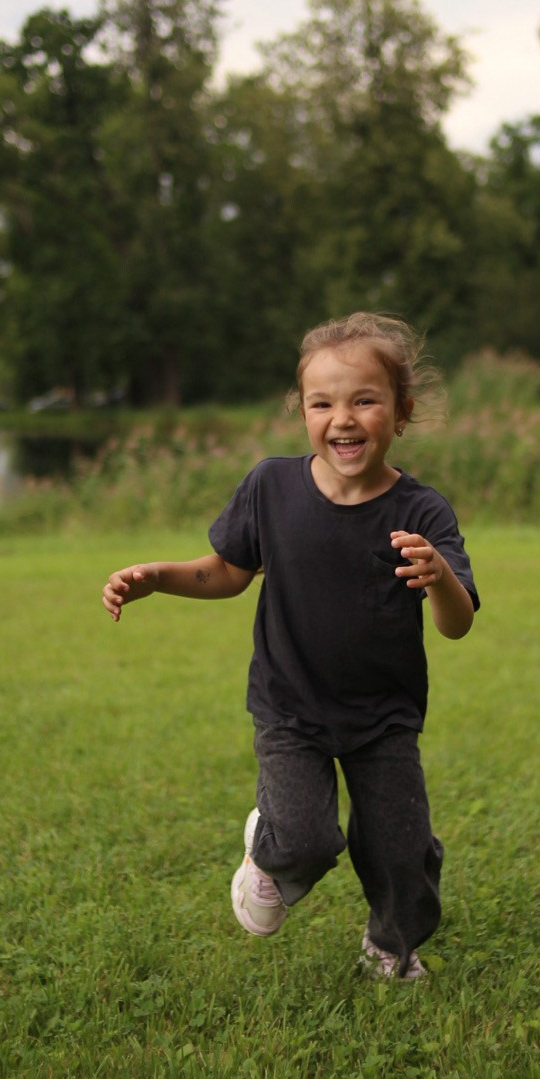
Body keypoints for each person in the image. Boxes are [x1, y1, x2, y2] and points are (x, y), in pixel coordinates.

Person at [102, 313, 479, 980]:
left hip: (384, 714)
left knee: (401, 848)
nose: (344, 418)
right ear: (301, 411)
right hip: (291, 704)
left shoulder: (422, 514)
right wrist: (157, 578)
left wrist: (440, 577)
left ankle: (389, 948)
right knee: (306, 837)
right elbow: (226, 571)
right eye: (323, 402)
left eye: (365, 399)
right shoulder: (270, 489)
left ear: (402, 410)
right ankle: (268, 851)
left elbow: (456, 622)